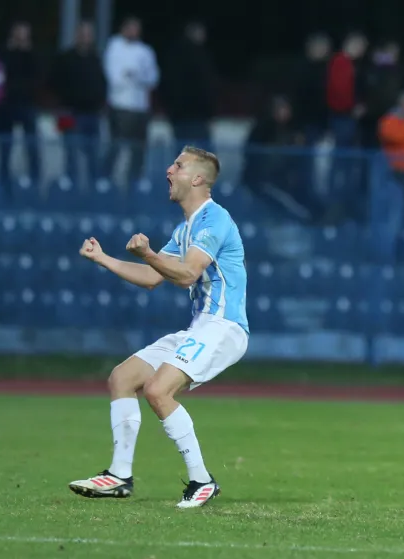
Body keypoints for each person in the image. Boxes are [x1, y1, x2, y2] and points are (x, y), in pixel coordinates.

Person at [69, 146, 250, 509]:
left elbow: (186, 275)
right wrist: (103, 258)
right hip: (200, 327)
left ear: (197, 179)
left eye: (178, 166)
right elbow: (153, 277)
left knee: (157, 390)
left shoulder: (214, 219)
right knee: (123, 378)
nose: (169, 170)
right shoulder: (186, 229)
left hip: (224, 327)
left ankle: (202, 480)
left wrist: (149, 253)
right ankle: (119, 476)